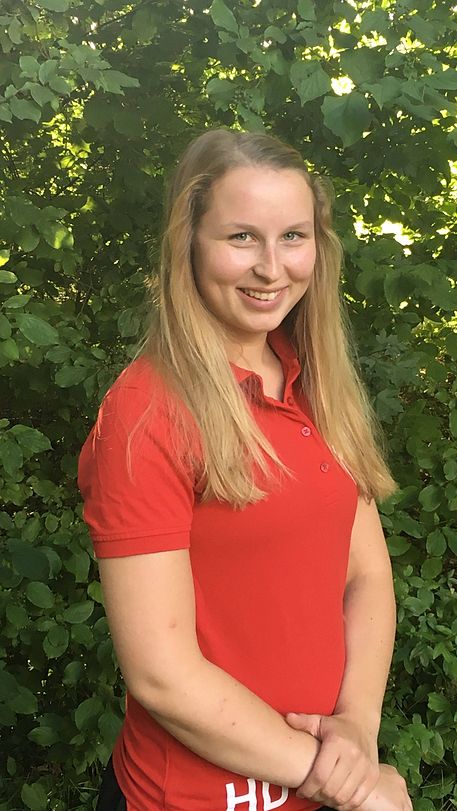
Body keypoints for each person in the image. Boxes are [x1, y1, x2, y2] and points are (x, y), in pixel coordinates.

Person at [78, 129, 413, 811]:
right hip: (193, 798)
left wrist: (357, 729)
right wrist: (344, 782)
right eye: (241, 238)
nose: (271, 267)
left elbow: (367, 575)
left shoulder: (315, 383)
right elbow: (162, 673)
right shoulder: (146, 412)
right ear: (189, 245)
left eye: (293, 236)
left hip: (319, 782)